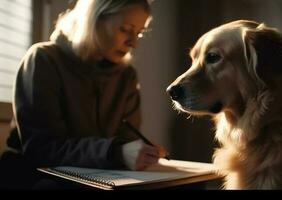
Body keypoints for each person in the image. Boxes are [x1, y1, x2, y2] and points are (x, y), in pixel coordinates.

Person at [1, 0, 167, 189]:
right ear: (93, 21)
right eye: (125, 29)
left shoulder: (126, 76)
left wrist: (138, 152)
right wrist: (115, 152)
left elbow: (126, 139)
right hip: (33, 176)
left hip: (97, 176)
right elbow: (41, 149)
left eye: (139, 33)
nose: (134, 43)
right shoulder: (43, 59)